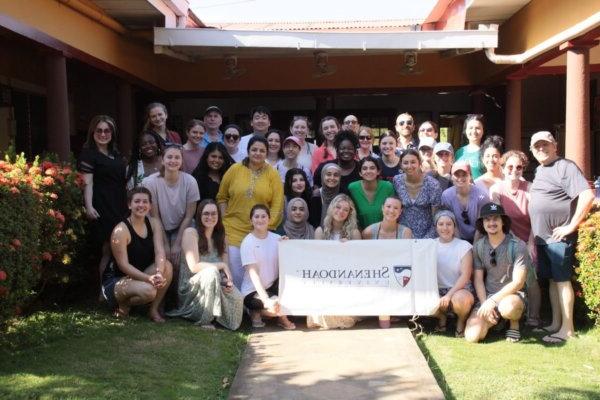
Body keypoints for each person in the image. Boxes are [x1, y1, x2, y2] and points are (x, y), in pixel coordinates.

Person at [528, 131, 595, 343]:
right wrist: (532, 236)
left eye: (545, 145)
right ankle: (555, 324)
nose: (541, 148)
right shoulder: (539, 170)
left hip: (558, 237)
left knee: (562, 280)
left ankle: (567, 329)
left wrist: (571, 226)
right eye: (537, 146)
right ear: (531, 150)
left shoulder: (565, 167)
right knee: (551, 281)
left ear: (555, 146)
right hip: (542, 238)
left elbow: (587, 195)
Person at [217, 136, 284, 289]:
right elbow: (222, 197)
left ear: (267, 153)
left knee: (258, 273)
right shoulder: (235, 169)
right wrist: (223, 221)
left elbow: (277, 205)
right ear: (247, 151)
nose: (257, 153)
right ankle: (239, 307)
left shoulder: (272, 174)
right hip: (233, 230)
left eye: (262, 150)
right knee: (235, 272)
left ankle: (253, 304)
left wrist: (262, 228)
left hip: (259, 232)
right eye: (254, 149)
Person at [166, 199, 243, 330]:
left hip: (215, 281)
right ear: (199, 216)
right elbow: (194, 267)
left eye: (214, 214)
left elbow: (225, 268)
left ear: (218, 216)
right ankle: (205, 319)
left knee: (237, 297)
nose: (210, 217)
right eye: (206, 214)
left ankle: (219, 318)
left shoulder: (222, 237)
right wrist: (221, 266)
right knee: (211, 272)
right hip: (191, 286)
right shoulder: (191, 233)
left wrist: (226, 281)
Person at [101, 187, 173, 322]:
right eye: (137, 201)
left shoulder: (154, 223)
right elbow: (123, 266)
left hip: (139, 276)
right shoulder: (121, 230)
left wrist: (158, 273)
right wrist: (148, 278)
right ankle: (123, 305)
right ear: (129, 205)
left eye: (145, 202)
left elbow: (159, 251)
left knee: (167, 267)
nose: (141, 205)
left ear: (150, 205)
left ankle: (153, 310)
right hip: (117, 280)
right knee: (149, 291)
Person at [490, 150, 541, 327]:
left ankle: (533, 317)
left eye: (518, 167)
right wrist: (511, 243)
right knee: (507, 278)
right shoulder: (496, 190)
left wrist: (530, 245)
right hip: (507, 238)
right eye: (510, 166)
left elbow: (536, 220)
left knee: (530, 278)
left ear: (523, 169)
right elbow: (498, 220)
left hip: (529, 238)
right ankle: (507, 317)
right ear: (502, 168)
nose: (514, 170)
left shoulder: (530, 188)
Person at [464, 203, 529, 343]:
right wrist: (484, 303)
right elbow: (478, 280)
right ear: (482, 223)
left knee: (509, 307)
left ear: (502, 222)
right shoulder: (479, 247)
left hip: (512, 296)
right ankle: (496, 321)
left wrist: (493, 302)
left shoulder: (518, 245)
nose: (491, 223)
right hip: (488, 296)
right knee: (472, 337)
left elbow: (519, 282)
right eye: (487, 219)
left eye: (495, 219)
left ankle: (513, 323)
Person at [79, 115, 128, 284]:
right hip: (103, 205)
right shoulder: (88, 154)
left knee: (120, 246)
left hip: (120, 204)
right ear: (92, 133)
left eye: (107, 130)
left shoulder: (116, 154)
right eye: (99, 130)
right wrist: (89, 206)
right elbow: (88, 183)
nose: (103, 134)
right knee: (108, 247)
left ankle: (119, 284)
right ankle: (103, 289)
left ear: (112, 133)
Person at [142, 145, 200, 267]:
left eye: (177, 157)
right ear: (162, 160)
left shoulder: (190, 181)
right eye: (169, 157)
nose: (173, 161)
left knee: (178, 260)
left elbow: (189, 216)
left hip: (181, 226)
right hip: (157, 226)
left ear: (181, 161)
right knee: (163, 258)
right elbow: (155, 217)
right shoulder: (150, 182)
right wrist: (166, 246)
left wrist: (177, 244)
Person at [309, 194, 361, 329]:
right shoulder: (320, 231)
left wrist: (348, 249)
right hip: (326, 278)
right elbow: (316, 259)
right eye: (338, 207)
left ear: (350, 213)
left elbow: (359, 261)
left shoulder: (354, 232)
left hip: (348, 280)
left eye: (345, 209)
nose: (341, 212)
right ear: (331, 208)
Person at [241, 204, 296, 329]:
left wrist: (287, 246)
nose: (260, 220)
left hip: (273, 288)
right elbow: (253, 274)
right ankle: (281, 318)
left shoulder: (277, 239)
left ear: (269, 219)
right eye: (256, 217)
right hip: (252, 292)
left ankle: (259, 313)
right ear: (251, 220)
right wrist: (266, 299)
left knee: (285, 304)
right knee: (277, 304)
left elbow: (288, 261)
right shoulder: (247, 242)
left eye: (263, 216)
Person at [362, 195, 413, 328]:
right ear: (382, 208)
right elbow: (363, 258)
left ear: (400, 211)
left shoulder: (405, 232)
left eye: (396, 208)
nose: (391, 210)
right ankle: (384, 316)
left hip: (396, 276)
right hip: (374, 276)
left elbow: (405, 260)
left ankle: (388, 315)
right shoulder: (368, 232)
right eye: (388, 206)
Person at [432, 210, 474, 337]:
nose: (445, 228)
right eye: (441, 224)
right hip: (438, 290)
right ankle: (442, 318)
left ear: (454, 226)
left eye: (449, 224)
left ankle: (461, 322)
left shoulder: (464, 246)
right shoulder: (429, 246)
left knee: (461, 300)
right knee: (422, 300)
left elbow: (466, 275)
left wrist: (449, 295)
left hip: (459, 290)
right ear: (436, 226)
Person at [393, 149, 441, 238]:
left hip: (427, 234)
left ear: (419, 163)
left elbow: (436, 217)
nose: (409, 166)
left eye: (413, 162)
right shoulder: (397, 181)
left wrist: (427, 238)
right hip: (403, 232)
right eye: (405, 163)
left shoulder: (433, 184)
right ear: (401, 165)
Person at [441, 162, 489, 242]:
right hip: (456, 237)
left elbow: (481, 226)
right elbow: (452, 223)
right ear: (452, 177)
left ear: (470, 176)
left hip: (481, 237)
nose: (460, 178)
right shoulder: (446, 196)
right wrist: (461, 245)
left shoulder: (481, 196)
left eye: (464, 175)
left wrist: (475, 247)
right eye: (457, 175)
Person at [348, 156, 395, 229]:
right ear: (360, 173)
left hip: (385, 233)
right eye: (364, 168)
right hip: (361, 235)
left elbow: (394, 213)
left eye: (372, 168)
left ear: (378, 171)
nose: (368, 171)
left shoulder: (388, 187)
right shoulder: (352, 188)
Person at [309, 163, 342, 228]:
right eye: (328, 174)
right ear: (322, 176)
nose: (332, 178)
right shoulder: (316, 195)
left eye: (336, 175)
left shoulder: (343, 194)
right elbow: (313, 222)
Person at [455, 114, 485, 179]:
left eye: (477, 128)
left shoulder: (486, 152)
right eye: (470, 128)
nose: (474, 131)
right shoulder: (459, 152)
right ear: (465, 131)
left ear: (483, 131)